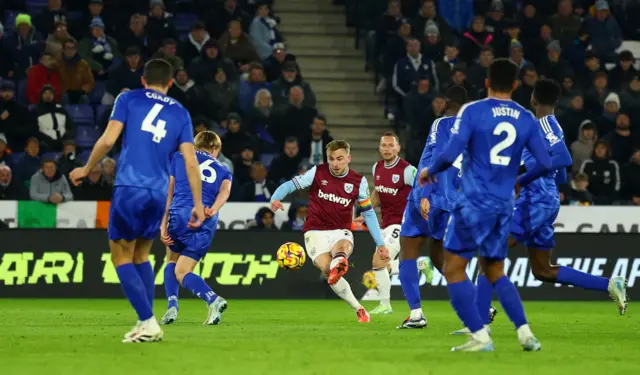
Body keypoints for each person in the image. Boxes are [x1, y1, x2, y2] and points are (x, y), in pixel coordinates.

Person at [455, 80, 628, 336]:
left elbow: (564, 159)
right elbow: (558, 174)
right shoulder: (548, 127)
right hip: (542, 201)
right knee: (543, 270)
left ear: (534, 99)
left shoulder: (544, 122)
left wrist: (521, 179)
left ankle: (479, 323)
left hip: (534, 202)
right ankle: (610, 284)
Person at [418, 59, 552, 352]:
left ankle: (480, 337)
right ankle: (525, 334)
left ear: (487, 82)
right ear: (516, 85)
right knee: (495, 270)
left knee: (452, 268)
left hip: (473, 203)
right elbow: (545, 163)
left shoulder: (473, 111)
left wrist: (431, 171)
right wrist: (519, 180)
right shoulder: (526, 117)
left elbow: (451, 151)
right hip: (504, 205)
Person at [69, 59, 206, 343]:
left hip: (130, 186)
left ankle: (148, 322)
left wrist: (86, 168)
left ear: (143, 80)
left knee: (120, 254)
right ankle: (146, 321)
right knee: (141, 255)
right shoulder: (181, 113)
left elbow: (108, 140)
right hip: (158, 192)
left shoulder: (128, 98)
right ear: (171, 83)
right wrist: (197, 203)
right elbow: (191, 162)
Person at [270, 140, 389, 323]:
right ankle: (358, 308)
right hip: (315, 231)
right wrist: (276, 197)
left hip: (341, 230)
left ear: (348, 158)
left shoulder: (358, 181)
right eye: (331, 159)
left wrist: (380, 243)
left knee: (342, 246)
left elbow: (369, 213)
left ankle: (340, 260)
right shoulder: (317, 172)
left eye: (340, 159)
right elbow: (291, 185)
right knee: (328, 270)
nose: (335, 163)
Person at [160, 131, 232, 326]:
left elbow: (170, 190)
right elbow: (225, 192)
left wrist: (162, 223)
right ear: (215, 149)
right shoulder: (224, 169)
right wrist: (213, 209)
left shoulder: (179, 156)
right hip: (207, 220)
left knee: (173, 260)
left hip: (182, 212)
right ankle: (212, 301)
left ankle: (173, 305)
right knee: (184, 270)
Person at [363, 132, 416, 315]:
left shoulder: (408, 171)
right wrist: (366, 213)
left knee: (379, 259)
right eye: (384, 146)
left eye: (390, 145)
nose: (387, 149)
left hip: (402, 223)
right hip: (385, 224)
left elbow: (423, 190)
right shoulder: (376, 168)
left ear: (398, 148)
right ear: (379, 148)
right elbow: (378, 194)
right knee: (382, 265)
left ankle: (385, 305)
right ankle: (421, 266)